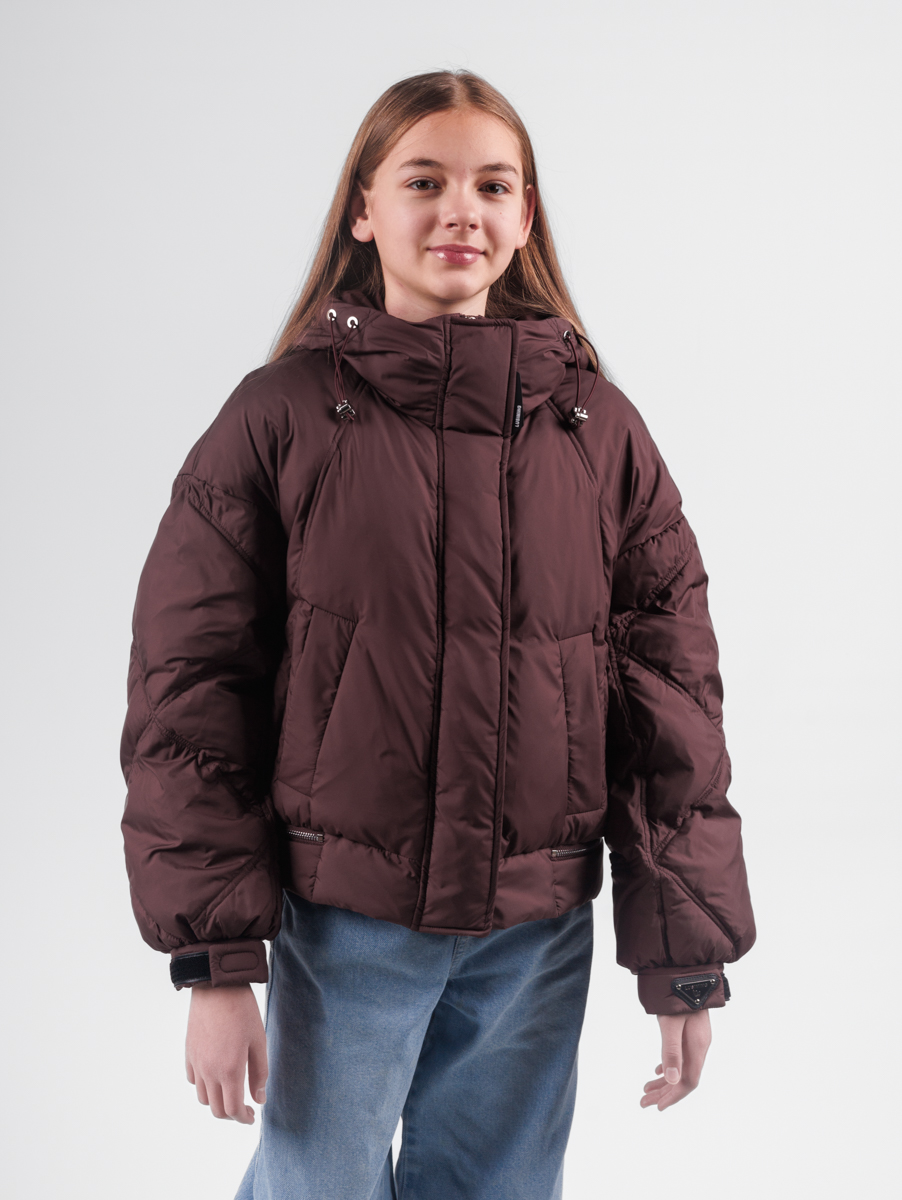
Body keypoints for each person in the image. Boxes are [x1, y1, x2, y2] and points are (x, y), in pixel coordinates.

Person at [120, 68, 756, 1200]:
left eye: (492, 185)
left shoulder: (597, 432)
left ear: (525, 216)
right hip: (345, 925)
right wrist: (215, 962)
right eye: (424, 180)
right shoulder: (280, 418)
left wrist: (683, 955)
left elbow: (670, 708)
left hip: (536, 935)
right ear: (363, 209)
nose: (461, 209)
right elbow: (191, 692)